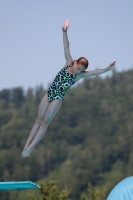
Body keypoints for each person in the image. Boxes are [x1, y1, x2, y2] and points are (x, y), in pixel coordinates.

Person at [21, 19, 116, 158]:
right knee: (38, 120)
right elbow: (66, 47)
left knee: (44, 122)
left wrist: (107, 69)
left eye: (81, 70)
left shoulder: (79, 76)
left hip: (58, 98)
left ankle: (30, 148)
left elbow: (95, 72)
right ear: (75, 63)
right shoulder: (68, 63)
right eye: (78, 69)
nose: (78, 72)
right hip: (50, 92)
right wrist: (65, 32)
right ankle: (26, 146)